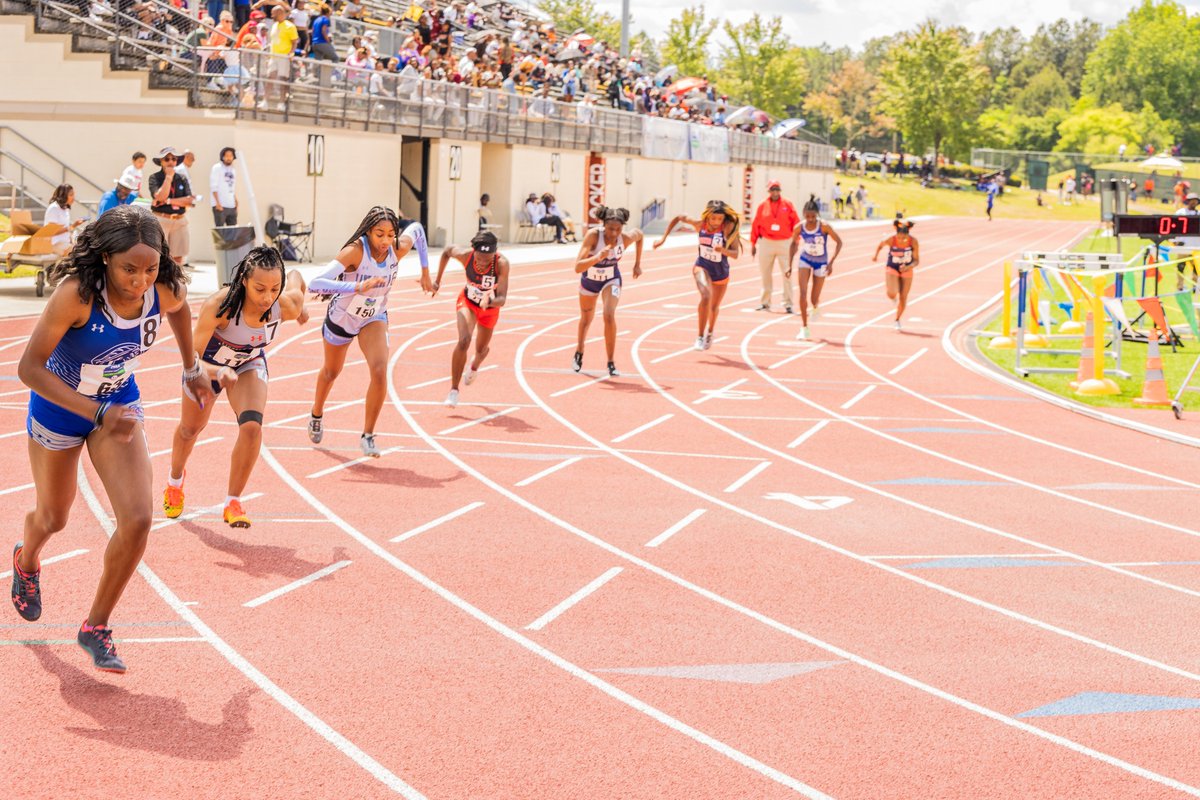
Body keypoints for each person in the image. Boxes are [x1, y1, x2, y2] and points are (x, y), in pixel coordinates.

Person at [12, 205, 213, 673]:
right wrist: (96, 411)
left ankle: (96, 626)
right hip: (62, 411)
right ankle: (26, 560)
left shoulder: (163, 286)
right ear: (104, 257)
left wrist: (191, 368)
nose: (141, 280)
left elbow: (180, 309)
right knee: (53, 517)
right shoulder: (76, 295)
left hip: (118, 406)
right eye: (129, 269)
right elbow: (29, 368)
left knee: (139, 519)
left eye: (150, 268)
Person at [163, 247, 309, 528]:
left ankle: (233, 502)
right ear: (243, 281)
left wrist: (301, 310)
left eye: (274, 288)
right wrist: (219, 371)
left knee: (252, 426)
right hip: (205, 370)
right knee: (190, 429)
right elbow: (189, 359)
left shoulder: (284, 304)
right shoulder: (221, 307)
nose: (267, 297)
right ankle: (175, 482)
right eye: (259, 289)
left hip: (248, 365)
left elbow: (297, 276)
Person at [307, 206, 430, 456]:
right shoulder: (355, 251)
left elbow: (417, 229)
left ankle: (368, 435)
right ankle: (316, 413)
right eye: (379, 234)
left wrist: (425, 272)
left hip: (373, 317)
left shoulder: (398, 248)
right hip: (342, 317)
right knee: (331, 372)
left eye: (390, 234)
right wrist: (358, 286)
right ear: (368, 232)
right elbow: (314, 284)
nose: (385, 241)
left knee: (379, 370)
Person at [431, 231, 510, 407]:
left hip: (490, 308)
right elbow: (446, 251)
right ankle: (454, 390)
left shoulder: (501, 264)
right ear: (473, 251)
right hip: (468, 301)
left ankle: (474, 366)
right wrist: (437, 281)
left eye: (487, 259)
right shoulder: (465, 256)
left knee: (481, 350)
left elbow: (503, 299)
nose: (482, 263)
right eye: (479, 258)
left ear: (494, 255)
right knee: (464, 340)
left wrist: (489, 300)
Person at [653, 200, 743, 350]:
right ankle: (700, 336)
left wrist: (723, 250)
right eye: (713, 218)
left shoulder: (728, 227)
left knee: (714, 307)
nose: (715, 222)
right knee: (706, 296)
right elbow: (679, 218)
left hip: (721, 272)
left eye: (719, 219)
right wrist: (663, 239)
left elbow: (735, 254)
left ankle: (710, 332)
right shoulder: (699, 224)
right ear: (707, 216)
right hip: (702, 266)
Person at [571, 205, 643, 376]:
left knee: (609, 314)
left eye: (618, 229)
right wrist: (597, 257)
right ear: (603, 225)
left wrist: (637, 264)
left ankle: (611, 362)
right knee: (586, 319)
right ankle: (579, 350)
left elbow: (639, 235)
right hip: (590, 281)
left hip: (612, 279)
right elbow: (577, 267)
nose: (614, 233)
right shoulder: (594, 236)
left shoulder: (624, 238)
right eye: (610, 229)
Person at [787, 195, 843, 340]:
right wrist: (789, 264)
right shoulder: (799, 227)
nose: (810, 219)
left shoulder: (824, 226)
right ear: (804, 214)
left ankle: (815, 307)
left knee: (813, 298)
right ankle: (804, 328)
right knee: (802, 293)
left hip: (821, 262)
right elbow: (793, 244)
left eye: (813, 216)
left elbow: (839, 242)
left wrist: (831, 262)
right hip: (805, 259)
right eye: (807, 216)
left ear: (817, 215)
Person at [749, 179, 800, 313]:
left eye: (777, 189)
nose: (775, 192)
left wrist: (796, 241)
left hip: (784, 242)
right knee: (765, 273)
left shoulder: (788, 204)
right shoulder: (762, 205)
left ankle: (788, 303)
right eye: (773, 189)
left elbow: (796, 223)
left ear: (780, 190)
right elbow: (756, 224)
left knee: (787, 274)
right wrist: (753, 243)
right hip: (766, 242)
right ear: (769, 191)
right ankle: (765, 303)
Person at [147, 146, 193, 266]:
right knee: (159, 255)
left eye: (173, 158)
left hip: (179, 220)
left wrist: (167, 201)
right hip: (161, 220)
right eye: (167, 159)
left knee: (178, 258)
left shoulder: (182, 178)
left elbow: (188, 201)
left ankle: (175, 283)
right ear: (161, 162)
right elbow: (159, 197)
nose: (171, 161)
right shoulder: (155, 178)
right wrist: (168, 177)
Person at [873, 217, 920, 331]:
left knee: (903, 298)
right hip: (892, 267)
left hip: (906, 269)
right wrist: (876, 255)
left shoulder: (913, 242)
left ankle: (897, 319)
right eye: (899, 237)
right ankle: (893, 298)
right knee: (892, 292)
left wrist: (909, 266)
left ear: (908, 235)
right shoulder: (890, 239)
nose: (901, 240)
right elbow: (880, 245)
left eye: (904, 238)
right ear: (896, 234)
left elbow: (917, 260)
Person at [44, 185, 86, 257]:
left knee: (82, 248)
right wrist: (72, 226)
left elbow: (66, 229)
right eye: (71, 195)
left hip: (64, 243)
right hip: (53, 243)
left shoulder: (65, 209)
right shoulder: (53, 208)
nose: (73, 197)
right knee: (75, 252)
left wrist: (71, 239)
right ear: (63, 195)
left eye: (73, 194)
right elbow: (51, 231)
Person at [1174, 191, 1200, 291]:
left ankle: (1194, 285)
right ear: (1188, 201)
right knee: (1180, 266)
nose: (1194, 203)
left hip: (1196, 246)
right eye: (1192, 201)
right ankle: (1180, 286)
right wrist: (1175, 240)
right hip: (1182, 245)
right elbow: (1174, 228)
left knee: (1196, 268)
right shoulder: (1180, 213)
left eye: (1195, 201)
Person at [210, 146, 238, 226]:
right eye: (227, 156)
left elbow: (231, 187)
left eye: (231, 156)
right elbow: (213, 186)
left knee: (233, 231)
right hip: (220, 205)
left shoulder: (233, 170)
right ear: (222, 157)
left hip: (231, 205)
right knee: (220, 232)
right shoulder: (217, 168)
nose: (229, 158)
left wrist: (235, 200)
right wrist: (217, 203)